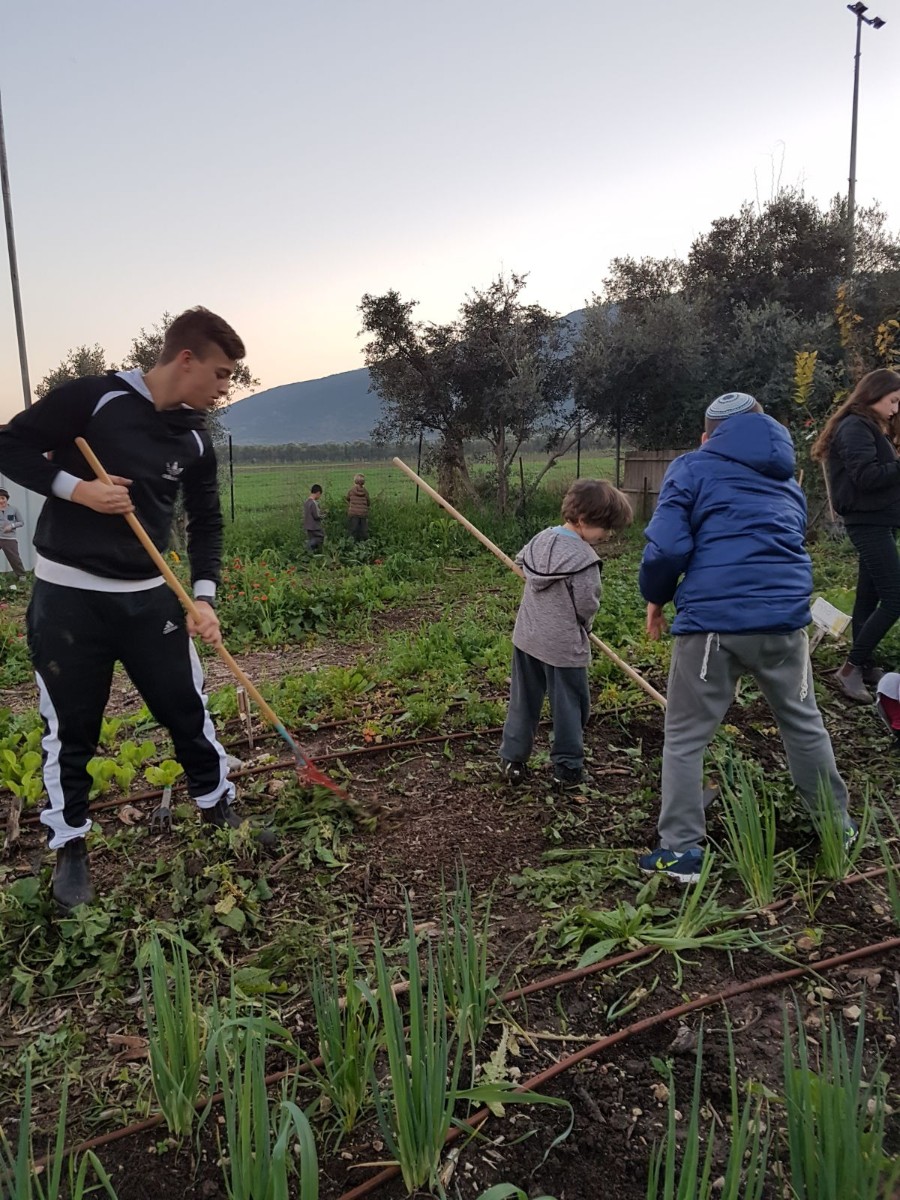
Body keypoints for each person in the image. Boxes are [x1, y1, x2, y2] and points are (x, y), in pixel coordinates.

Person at [0, 307, 273, 912]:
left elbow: (207, 522)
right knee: (70, 729)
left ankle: (216, 805)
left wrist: (203, 597)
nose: (225, 387)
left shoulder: (197, 435)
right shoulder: (93, 399)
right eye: (222, 373)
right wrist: (80, 490)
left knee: (185, 707)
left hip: (152, 598)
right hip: (69, 598)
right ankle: (70, 846)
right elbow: (8, 445)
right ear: (185, 359)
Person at [639, 391, 853, 883]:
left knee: (687, 735)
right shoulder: (786, 478)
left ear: (706, 436)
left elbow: (668, 546)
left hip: (715, 624)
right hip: (785, 621)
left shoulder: (692, 467)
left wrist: (656, 596)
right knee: (803, 724)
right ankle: (837, 828)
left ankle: (680, 851)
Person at [499, 478, 633, 791]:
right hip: (562, 647)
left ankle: (511, 760)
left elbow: (521, 562)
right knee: (570, 706)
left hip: (528, 637)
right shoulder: (584, 560)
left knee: (524, 701)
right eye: (605, 528)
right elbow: (587, 603)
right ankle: (567, 769)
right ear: (585, 521)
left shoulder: (541, 538)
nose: (607, 536)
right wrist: (586, 626)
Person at [810, 368, 900, 703]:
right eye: (892, 401)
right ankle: (849, 668)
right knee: (895, 598)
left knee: (868, 596)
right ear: (874, 394)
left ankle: (864, 664)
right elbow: (867, 477)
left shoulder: (868, 427)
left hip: (880, 520)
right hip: (868, 522)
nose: (894, 410)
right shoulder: (855, 427)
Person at [0, 488, 26, 583]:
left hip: (9, 539)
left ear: (6, 498)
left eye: (3, 498)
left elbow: (21, 522)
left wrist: (12, 526)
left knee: (14, 558)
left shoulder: (13, 509)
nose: (1, 501)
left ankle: (21, 575)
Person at [346, 473, 370, 541]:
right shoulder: (365, 492)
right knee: (363, 530)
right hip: (363, 514)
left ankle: (351, 543)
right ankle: (364, 543)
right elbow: (368, 502)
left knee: (352, 530)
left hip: (353, 513)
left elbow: (347, 498)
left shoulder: (351, 491)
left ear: (355, 482)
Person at [304, 484, 325, 552]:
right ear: (318, 493)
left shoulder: (306, 502)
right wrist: (324, 515)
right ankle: (307, 546)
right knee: (320, 537)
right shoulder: (314, 503)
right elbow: (316, 515)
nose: (319, 497)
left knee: (312, 538)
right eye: (320, 495)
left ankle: (312, 553)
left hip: (307, 525)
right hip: (314, 526)